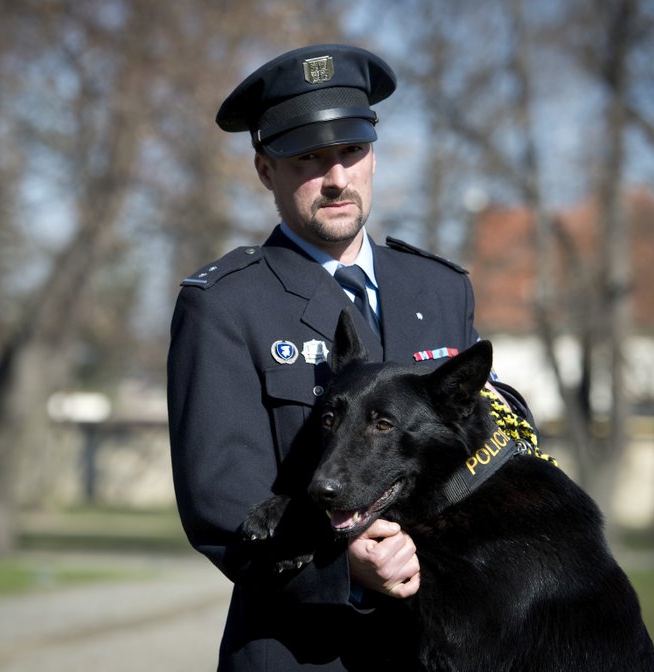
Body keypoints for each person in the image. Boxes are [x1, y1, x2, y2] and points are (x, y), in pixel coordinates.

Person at [167, 43, 534, 671]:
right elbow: (221, 502)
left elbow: (487, 436)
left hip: (445, 646)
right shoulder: (227, 305)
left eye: (351, 152)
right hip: (305, 650)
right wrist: (346, 568)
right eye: (309, 157)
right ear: (264, 170)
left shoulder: (439, 287)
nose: (337, 178)